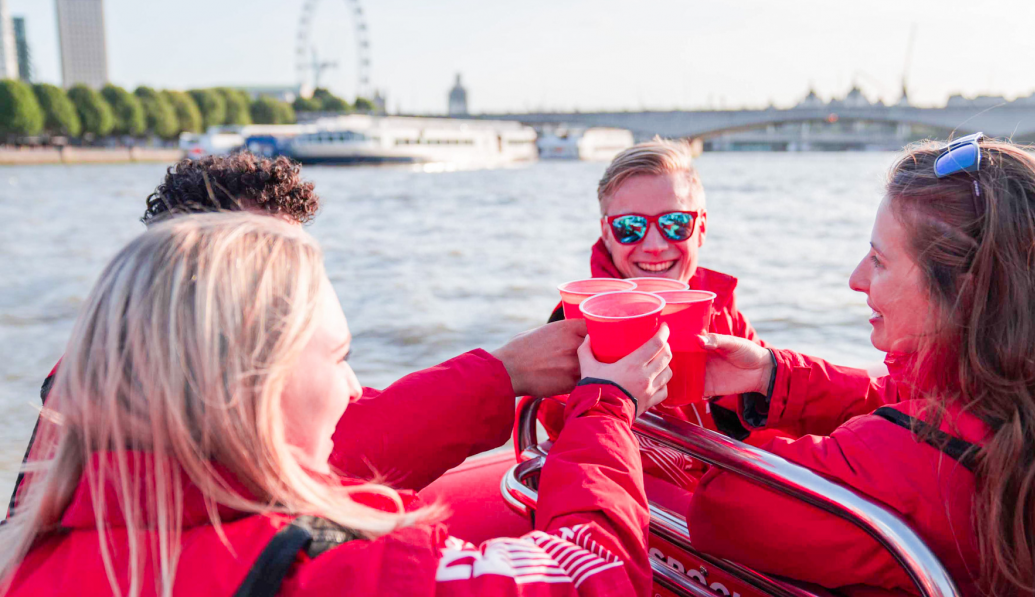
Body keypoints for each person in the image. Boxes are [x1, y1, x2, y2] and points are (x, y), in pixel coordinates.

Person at [0, 213, 670, 596]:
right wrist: (607, 404)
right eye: (342, 355)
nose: (354, 389)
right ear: (254, 386)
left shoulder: (33, 558)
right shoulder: (340, 569)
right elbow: (594, 574)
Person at [689, 136, 1035, 597]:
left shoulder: (918, 458)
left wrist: (612, 402)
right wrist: (777, 379)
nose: (856, 278)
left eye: (880, 261)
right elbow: (923, 404)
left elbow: (717, 508)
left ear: (965, 290)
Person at [9, 153, 588, 547]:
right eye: (264, 267)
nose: (295, 286)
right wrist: (506, 374)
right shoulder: (161, 410)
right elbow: (333, 457)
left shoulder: (101, 365)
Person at [540, 139, 777, 500]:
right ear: (607, 233)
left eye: (675, 222)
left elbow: (761, 430)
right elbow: (569, 448)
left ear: (701, 228)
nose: (653, 244)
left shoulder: (724, 315)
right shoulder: (572, 328)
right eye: (630, 226)